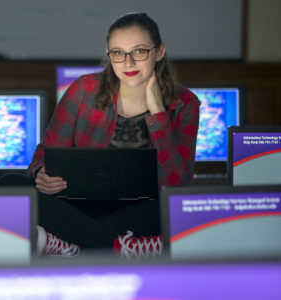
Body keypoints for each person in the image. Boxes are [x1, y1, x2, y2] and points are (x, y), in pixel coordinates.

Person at [29, 12, 200, 258]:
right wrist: (41, 174)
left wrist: (158, 115)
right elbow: (42, 156)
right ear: (109, 54)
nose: (128, 63)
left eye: (139, 51)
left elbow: (176, 182)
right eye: (118, 53)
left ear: (159, 52)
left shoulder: (186, 103)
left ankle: (72, 244)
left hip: (140, 210)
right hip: (79, 205)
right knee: (12, 186)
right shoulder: (82, 90)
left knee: (173, 208)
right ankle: (125, 247)